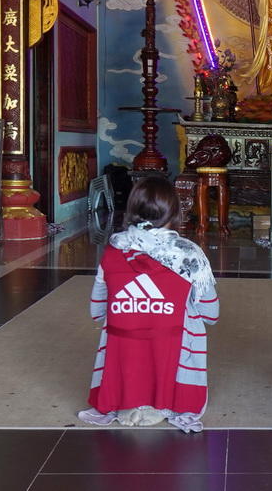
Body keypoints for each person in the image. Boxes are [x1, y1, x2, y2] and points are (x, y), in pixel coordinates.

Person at [78, 176, 219, 432]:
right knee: (186, 317)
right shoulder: (188, 254)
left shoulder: (114, 250)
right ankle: (164, 404)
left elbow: (96, 310)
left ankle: (128, 402)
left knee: (117, 324)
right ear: (175, 212)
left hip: (123, 347)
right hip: (173, 347)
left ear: (132, 210)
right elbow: (211, 314)